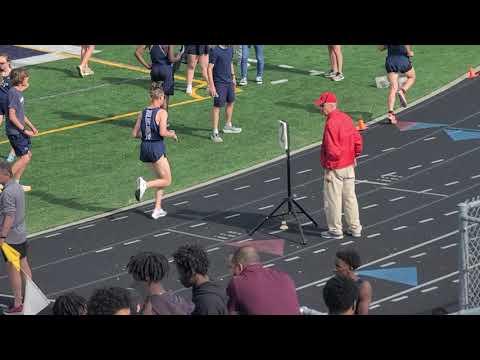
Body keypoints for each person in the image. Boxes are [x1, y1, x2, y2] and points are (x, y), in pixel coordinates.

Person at [314, 91, 362, 239]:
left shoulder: (331, 123)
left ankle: (335, 230)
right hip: (349, 165)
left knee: (333, 200)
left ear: (330, 105)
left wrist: (330, 165)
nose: (320, 108)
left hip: (335, 167)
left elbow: (332, 149)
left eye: (322, 106)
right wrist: (354, 156)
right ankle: (355, 228)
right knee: (350, 198)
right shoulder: (346, 118)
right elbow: (357, 141)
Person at [132, 86, 178, 220]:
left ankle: (157, 209)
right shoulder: (162, 113)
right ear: (161, 98)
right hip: (156, 147)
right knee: (167, 180)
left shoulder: (142, 112)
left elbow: (134, 134)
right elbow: (163, 132)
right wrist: (172, 134)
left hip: (144, 147)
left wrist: (148, 134)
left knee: (160, 179)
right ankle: (145, 184)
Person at [227, 246, 300, 315]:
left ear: (239, 267)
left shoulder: (237, 282)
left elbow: (231, 312)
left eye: (232, 268)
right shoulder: (285, 277)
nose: (232, 273)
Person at [0, 161, 32, 314]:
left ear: (5, 174)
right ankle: (29, 298)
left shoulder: (7, 192)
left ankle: (18, 304)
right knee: (24, 267)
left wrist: (2, 236)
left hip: (10, 238)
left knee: (13, 270)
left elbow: (9, 216)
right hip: (21, 233)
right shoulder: (17, 187)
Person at [127, 251, 194, 315]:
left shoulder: (151, 308)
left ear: (147, 277)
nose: (132, 284)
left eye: (135, 277)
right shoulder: (180, 301)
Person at [6, 68, 38, 192]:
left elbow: (21, 114)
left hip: (18, 131)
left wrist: (32, 126)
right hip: (16, 132)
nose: (28, 79)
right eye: (26, 77)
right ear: (21, 80)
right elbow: (13, 116)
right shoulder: (14, 94)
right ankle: (4, 182)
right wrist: (25, 130)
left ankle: (16, 184)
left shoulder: (17, 92)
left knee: (27, 155)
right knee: (24, 158)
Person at [172, 243, 228, 315]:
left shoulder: (205, 303)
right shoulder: (213, 288)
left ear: (192, 271)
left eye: (180, 272)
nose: (179, 278)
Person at [134, 45, 184, 115]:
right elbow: (171, 59)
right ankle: (164, 122)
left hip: (155, 71)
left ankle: (153, 119)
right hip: (166, 71)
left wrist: (147, 66)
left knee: (155, 97)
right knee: (165, 100)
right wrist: (178, 57)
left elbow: (137, 53)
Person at [208, 45, 242, 143]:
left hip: (229, 82)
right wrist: (212, 85)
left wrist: (233, 77)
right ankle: (214, 132)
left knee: (231, 101)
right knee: (217, 106)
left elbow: (230, 62)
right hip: (219, 83)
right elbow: (209, 68)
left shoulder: (230, 49)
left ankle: (228, 125)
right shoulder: (215, 51)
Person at [379, 45, 416, 124]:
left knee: (393, 87)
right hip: (402, 59)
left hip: (390, 61)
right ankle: (402, 90)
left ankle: (390, 114)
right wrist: (409, 52)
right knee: (412, 77)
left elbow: (380, 48)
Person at [334, 249, 372, 314]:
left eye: (338, 266)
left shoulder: (363, 287)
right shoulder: (335, 283)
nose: (335, 269)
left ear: (350, 267)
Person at [0, 53, 17, 163]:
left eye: (2, 63)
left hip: (10, 106)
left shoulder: (14, 75)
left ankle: (13, 152)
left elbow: (20, 89)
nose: (0, 65)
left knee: (12, 131)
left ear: (8, 63)